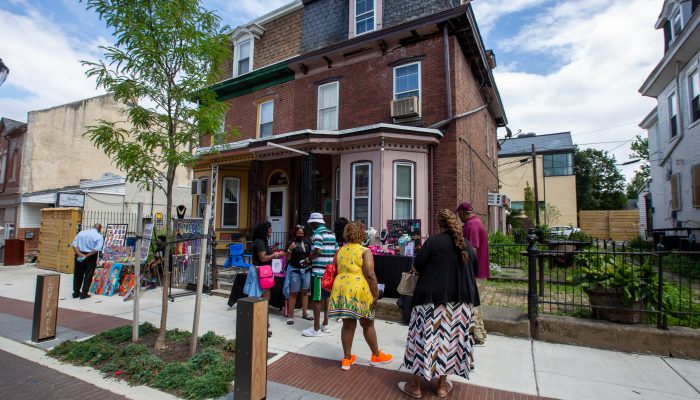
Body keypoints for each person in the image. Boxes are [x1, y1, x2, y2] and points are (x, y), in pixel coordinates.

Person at [399, 210, 480, 398]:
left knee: (423, 341)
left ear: (439, 224)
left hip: (430, 301)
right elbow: (474, 270)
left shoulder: (433, 242)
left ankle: (416, 386)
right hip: (461, 304)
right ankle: (442, 387)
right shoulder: (466, 246)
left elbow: (417, 267)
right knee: (449, 343)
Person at [328, 221, 393, 370]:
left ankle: (347, 359)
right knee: (367, 323)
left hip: (342, 288)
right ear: (361, 234)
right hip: (359, 289)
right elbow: (370, 273)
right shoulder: (365, 251)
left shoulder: (340, 250)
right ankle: (376, 355)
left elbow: (335, 268)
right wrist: (375, 293)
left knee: (348, 324)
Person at [243, 221, 286, 337]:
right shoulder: (260, 242)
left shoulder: (259, 241)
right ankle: (262, 327)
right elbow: (263, 258)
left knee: (260, 300)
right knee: (264, 301)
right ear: (265, 231)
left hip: (259, 272)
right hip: (261, 273)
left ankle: (261, 326)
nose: (271, 232)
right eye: (270, 230)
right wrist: (277, 255)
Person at [457, 201, 489, 344]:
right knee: (477, 303)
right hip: (481, 271)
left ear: (463, 213)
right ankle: (481, 331)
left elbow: (472, 250)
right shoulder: (477, 222)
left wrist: (466, 271)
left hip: (475, 272)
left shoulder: (471, 225)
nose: (459, 218)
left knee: (472, 304)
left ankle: (477, 335)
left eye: (459, 214)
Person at [302, 212, 337, 337]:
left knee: (316, 299)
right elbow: (337, 251)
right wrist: (331, 266)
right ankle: (325, 324)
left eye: (311, 224)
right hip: (328, 272)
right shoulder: (332, 234)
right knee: (327, 297)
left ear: (314, 223)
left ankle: (316, 329)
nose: (310, 226)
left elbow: (317, 251)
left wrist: (307, 260)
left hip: (318, 273)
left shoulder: (318, 233)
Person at [284, 225, 313, 325]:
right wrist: (290, 249)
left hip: (306, 270)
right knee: (294, 293)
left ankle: (305, 313)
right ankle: (290, 315)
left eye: (302, 233)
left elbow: (310, 255)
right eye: (298, 233)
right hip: (295, 270)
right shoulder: (290, 242)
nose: (300, 235)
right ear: (295, 233)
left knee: (305, 292)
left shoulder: (307, 242)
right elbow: (287, 259)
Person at [71, 223, 104, 299]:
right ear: (99, 229)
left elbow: (74, 245)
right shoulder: (99, 236)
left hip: (79, 254)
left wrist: (79, 254)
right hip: (90, 256)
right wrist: (86, 256)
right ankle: (84, 293)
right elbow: (96, 249)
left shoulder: (81, 233)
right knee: (88, 275)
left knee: (77, 274)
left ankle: (76, 292)